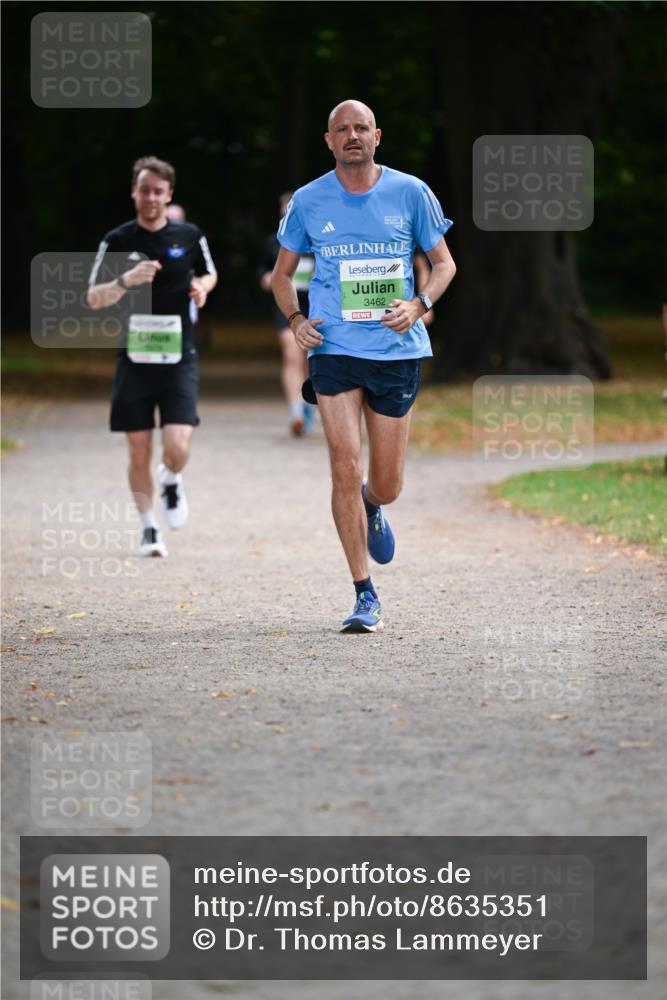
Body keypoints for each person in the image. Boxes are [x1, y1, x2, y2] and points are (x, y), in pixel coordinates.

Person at [272, 100, 456, 632]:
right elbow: (283, 276)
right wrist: (295, 318)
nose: (352, 136)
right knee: (344, 466)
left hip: (396, 350)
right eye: (341, 130)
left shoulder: (410, 192)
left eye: (360, 129)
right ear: (328, 140)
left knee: (386, 481)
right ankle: (363, 592)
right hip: (333, 350)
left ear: (377, 136)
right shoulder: (308, 201)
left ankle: (375, 505)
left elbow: (444, 263)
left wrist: (418, 305)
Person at [87, 156, 217, 558]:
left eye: (158, 191)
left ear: (169, 195)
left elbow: (211, 273)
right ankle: (148, 527)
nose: (151, 197)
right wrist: (127, 279)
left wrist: (201, 287)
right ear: (134, 192)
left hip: (179, 355)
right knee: (138, 448)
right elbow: (93, 298)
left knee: (177, 446)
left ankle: (172, 478)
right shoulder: (118, 240)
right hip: (135, 357)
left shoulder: (190, 235)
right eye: (144, 189)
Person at [260, 193, 317, 436]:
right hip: (286, 305)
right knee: (292, 355)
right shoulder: (274, 242)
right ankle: (296, 410)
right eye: (286, 209)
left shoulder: (318, 238)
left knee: (307, 357)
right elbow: (264, 270)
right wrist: (266, 278)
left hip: (314, 305)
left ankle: (309, 404)